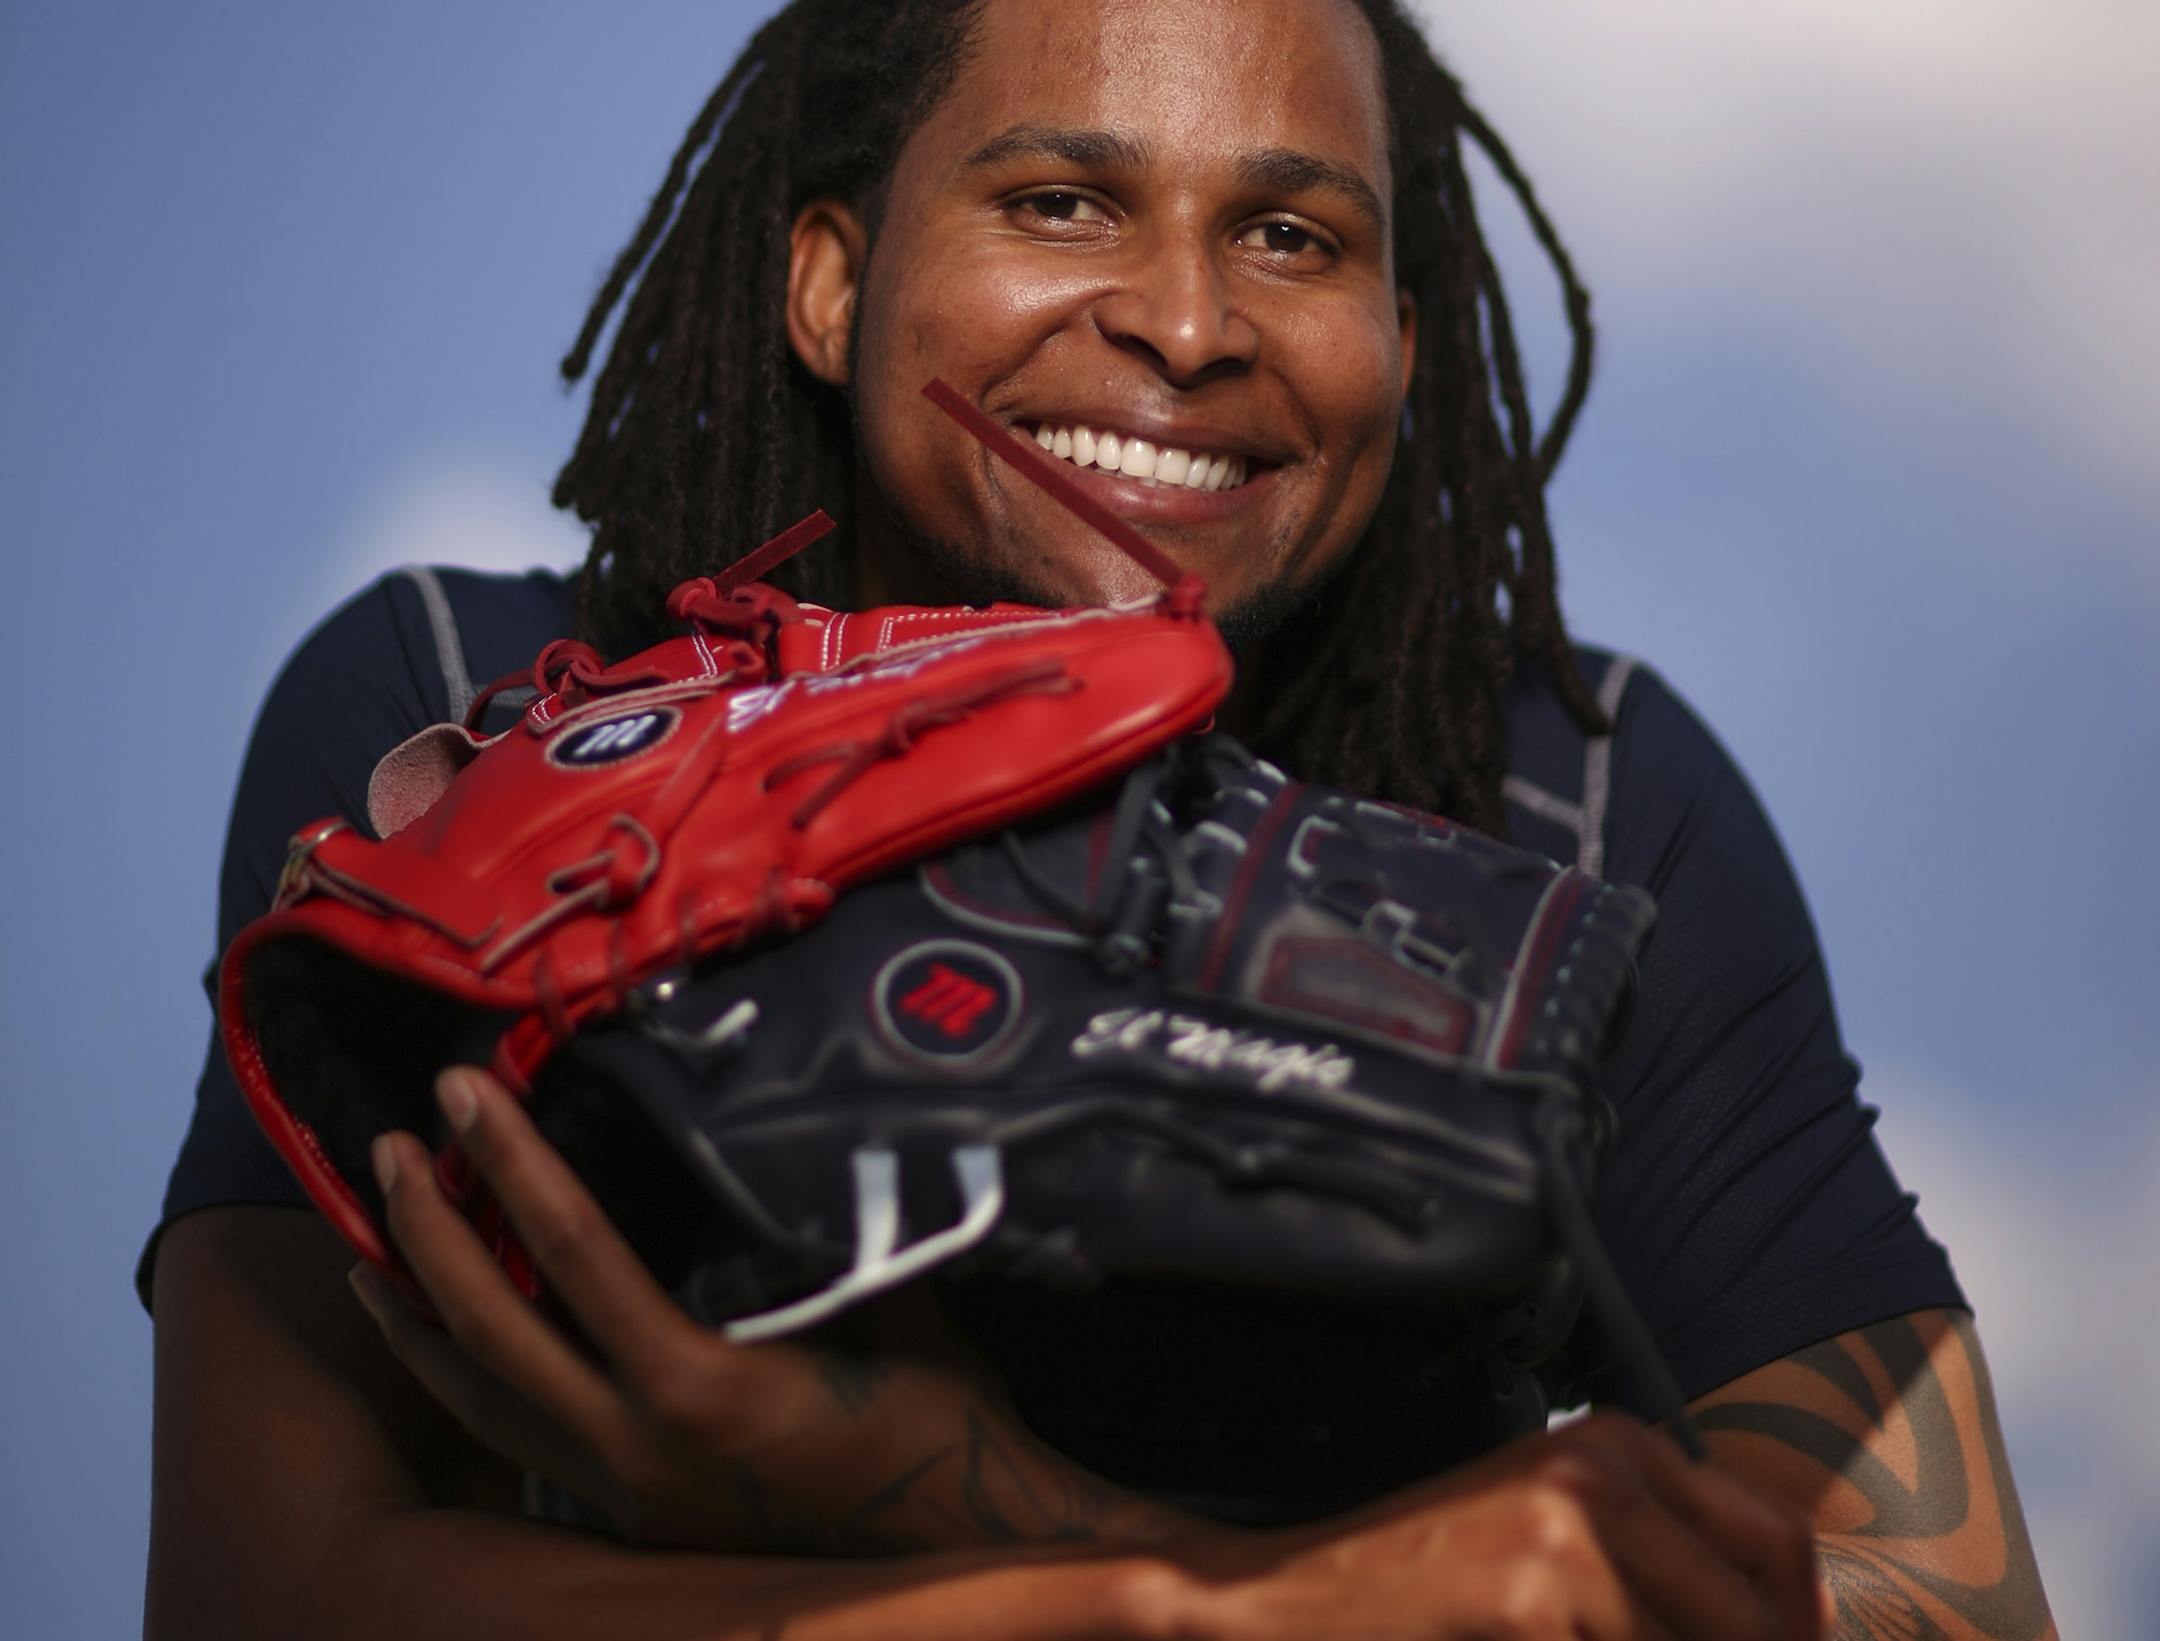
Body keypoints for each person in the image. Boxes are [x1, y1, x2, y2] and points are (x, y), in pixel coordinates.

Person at [142, 1, 2059, 1636]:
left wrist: (951, 1508)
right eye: (1061, 200)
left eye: (1296, 236)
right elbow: (267, 1591)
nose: (1189, 319)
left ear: (1402, 332)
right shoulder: (470, 721)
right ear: (829, 282)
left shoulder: (1586, 801)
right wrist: (1263, 1595)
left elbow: (1952, 1604)